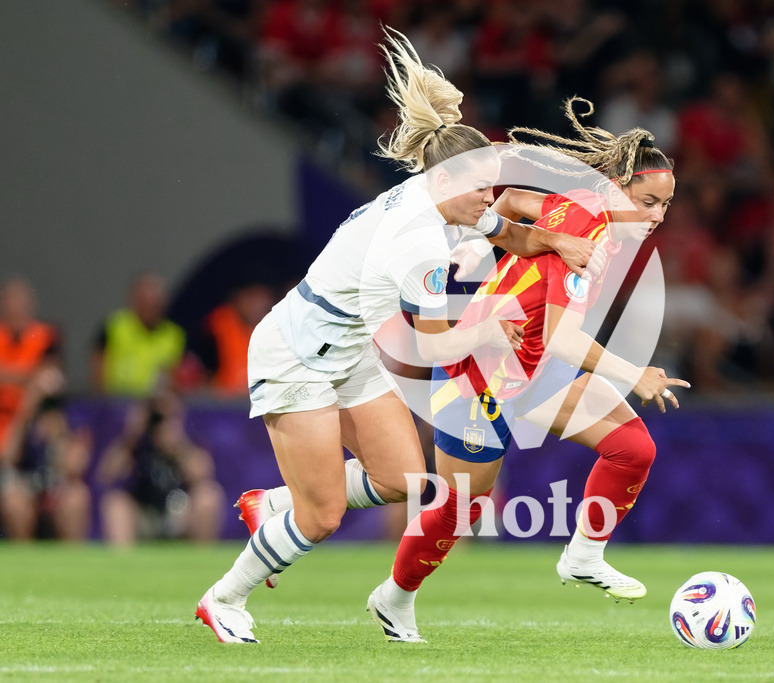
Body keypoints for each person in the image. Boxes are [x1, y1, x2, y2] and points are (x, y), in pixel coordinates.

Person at [194, 27, 600, 644]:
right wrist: (490, 326)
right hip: (298, 353)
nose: (490, 200)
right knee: (323, 514)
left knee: (403, 483)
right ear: (445, 182)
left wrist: (555, 238)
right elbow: (429, 347)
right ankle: (225, 597)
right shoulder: (414, 247)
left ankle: (271, 505)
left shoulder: (443, 195)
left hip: (349, 346)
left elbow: (505, 227)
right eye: (482, 187)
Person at [364, 98, 688, 643]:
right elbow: (563, 338)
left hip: (533, 371)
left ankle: (583, 556)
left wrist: (481, 244)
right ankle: (393, 597)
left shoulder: (584, 204)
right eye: (649, 201)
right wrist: (636, 374)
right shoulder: (591, 231)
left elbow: (512, 198)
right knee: (459, 509)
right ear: (617, 189)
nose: (657, 216)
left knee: (633, 449)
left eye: (665, 206)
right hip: (481, 373)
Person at [97, 391, 224, 546]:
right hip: (145, 513)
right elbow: (105, 475)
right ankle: (124, 563)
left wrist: (178, 445)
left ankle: (203, 560)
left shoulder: (188, 437)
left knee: (209, 496)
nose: (161, 421)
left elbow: (202, 474)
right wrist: (131, 435)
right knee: (115, 502)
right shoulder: (137, 442)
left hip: (180, 512)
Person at [0, 380, 91, 542]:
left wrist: (59, 436)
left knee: (77, 497)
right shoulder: (24, 418)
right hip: (27, 488)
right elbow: (8, 457)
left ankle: (72, 560)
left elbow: (74, 466)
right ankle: (24, 560)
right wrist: (27, 411)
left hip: (56, 490)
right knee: (14, 502)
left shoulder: (70, 417)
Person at [91, 272, 186, 397]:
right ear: (134, 300)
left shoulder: (174, 335)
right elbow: (98, 369)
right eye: (144, 302)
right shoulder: (114, 326)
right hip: (116, 403)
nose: (149, 308)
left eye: (154, 304)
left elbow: (176, 377)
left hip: (154, 405)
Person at [0, 278, 61, 456]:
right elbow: (35, 373)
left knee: (44, 385)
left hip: (30, 412)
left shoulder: (45, 334)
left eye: (20, 302)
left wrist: (9, 376)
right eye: (10, 301)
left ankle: (13, 448)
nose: (15, 308)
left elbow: (49, 373)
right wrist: (28, 376)